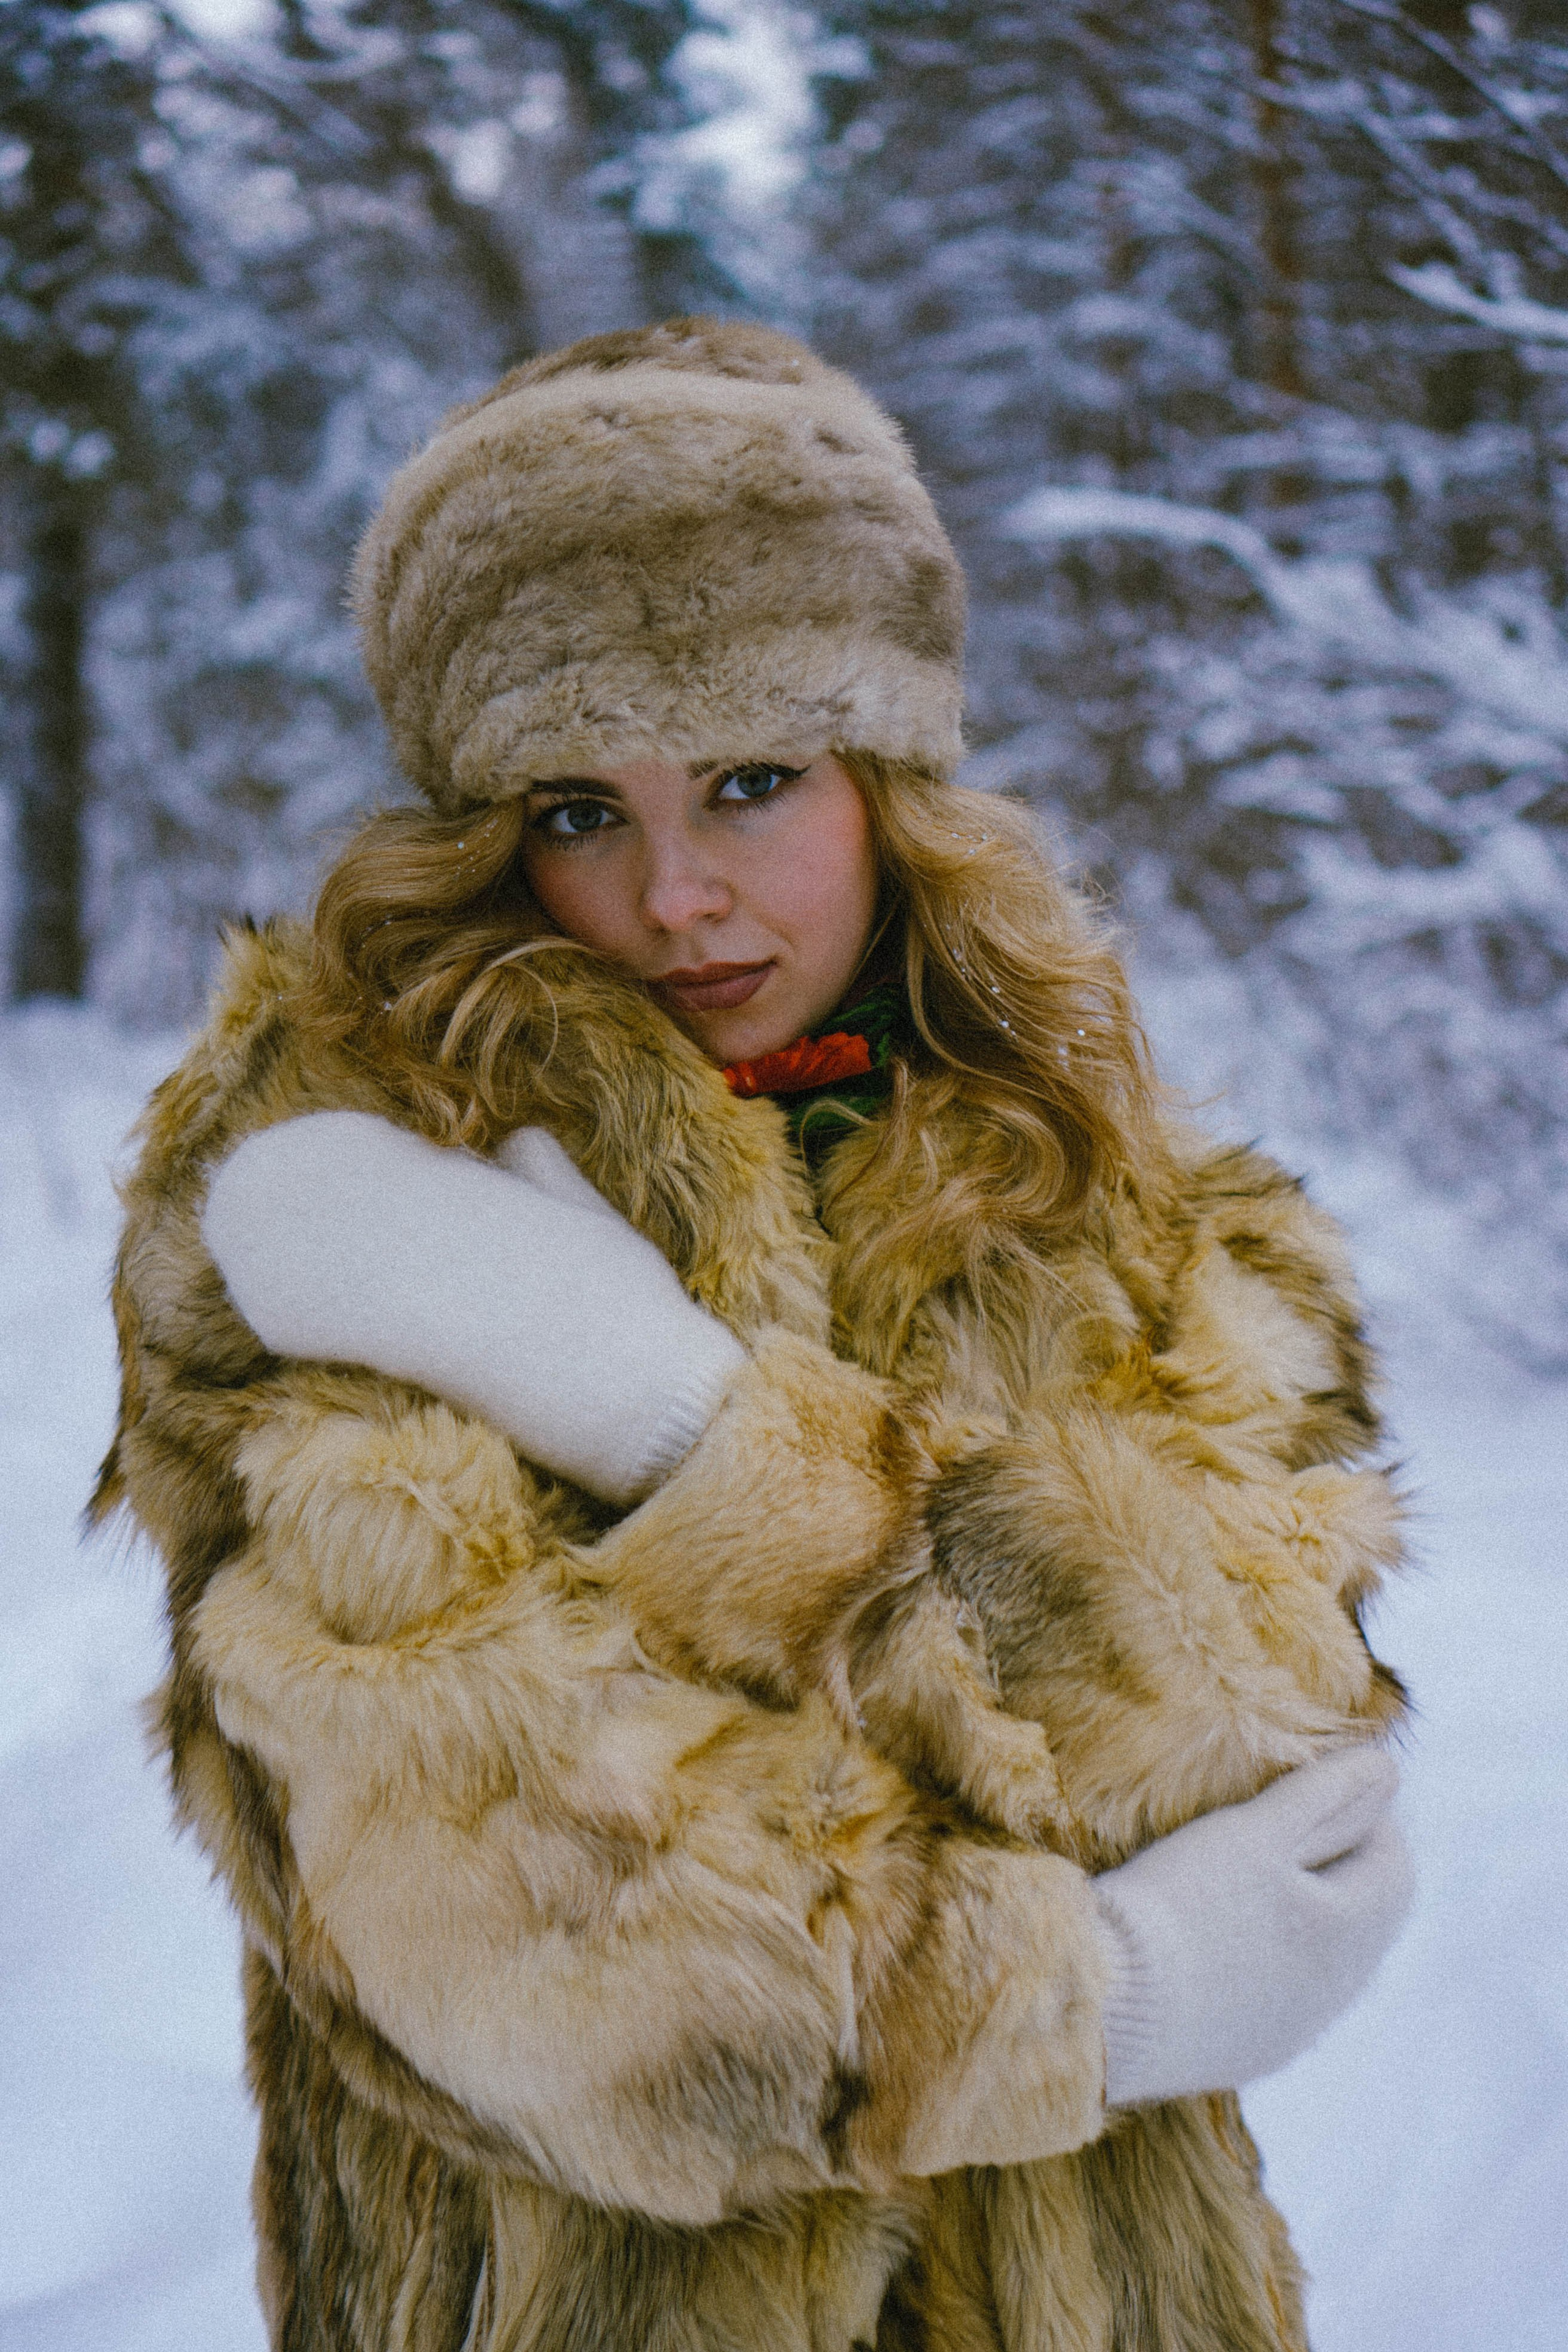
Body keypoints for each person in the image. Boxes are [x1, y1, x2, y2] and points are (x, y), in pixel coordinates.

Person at [97, 319, 1413, 2352]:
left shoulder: (1123, 1200)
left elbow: (1261, 1768)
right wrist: (1112, 1991)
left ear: (891, 781)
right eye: (576, 806)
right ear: (481, 825)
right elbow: (552, 1980)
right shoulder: (349, 1200)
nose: (675, 895)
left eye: (749, 780)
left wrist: (695, 1435)